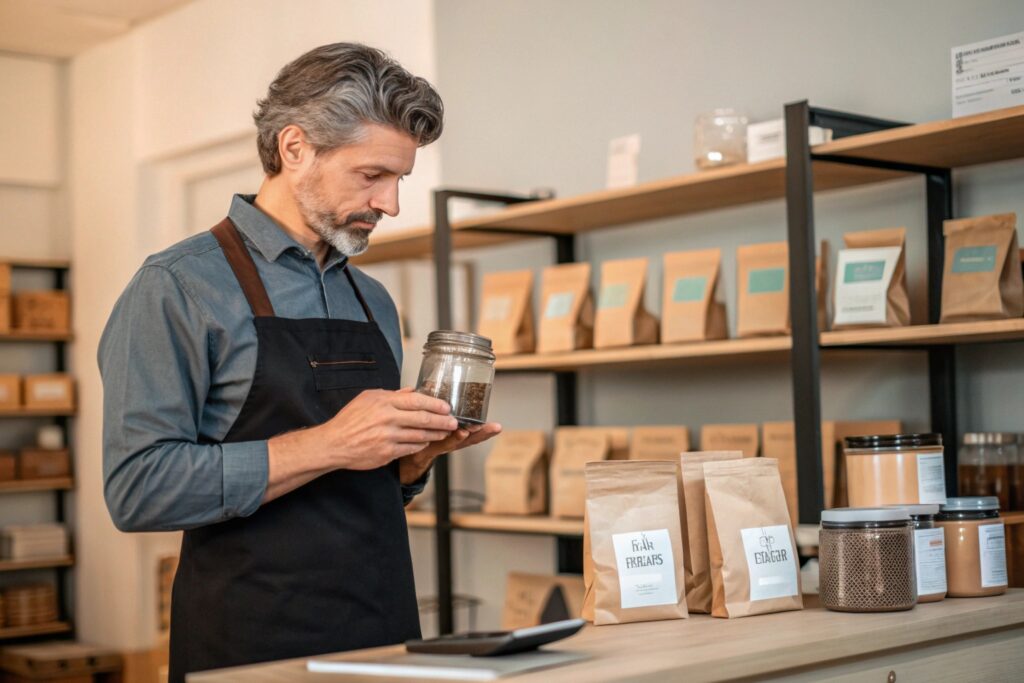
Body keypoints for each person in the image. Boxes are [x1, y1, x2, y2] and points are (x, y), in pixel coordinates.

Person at [98, 43, 501, 681]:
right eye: (371, 176)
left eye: (400, 179)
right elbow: (138, 490)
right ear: (294, 148)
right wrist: (332, 443)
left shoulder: (371, 298)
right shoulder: (177, 287)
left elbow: (355, 494)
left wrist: (412, 462)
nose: (391, 204)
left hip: (385, 634)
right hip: (251, 645)